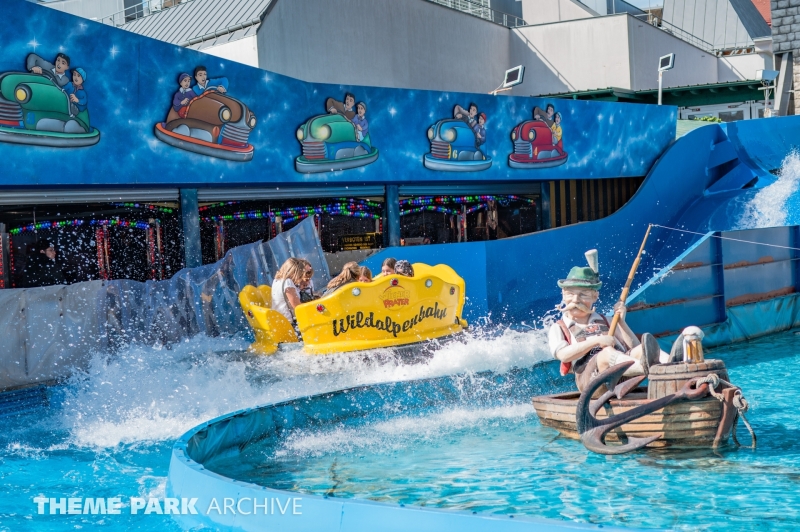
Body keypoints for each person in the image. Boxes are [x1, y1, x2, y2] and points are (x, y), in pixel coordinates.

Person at [548, 251, 666, 392]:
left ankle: (673, 365)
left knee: (642, 349)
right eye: (570, 294)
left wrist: (622, 323)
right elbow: (563, 355)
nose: (575, 300)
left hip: (622, 375)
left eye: (583, 295)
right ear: (563, 294)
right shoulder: (559, 327)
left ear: (595, 296)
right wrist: (597, 341)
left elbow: (633, 346)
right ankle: (647, 368)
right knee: (606, 353)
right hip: (591, 382)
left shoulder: (607, 320)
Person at [271, 258, 305, 322]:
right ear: (294, 273)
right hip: (289, 322)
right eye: (300, 275)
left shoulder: (276, 281)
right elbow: (298, 307)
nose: (300, 279)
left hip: (278, 320)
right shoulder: (288, 282)